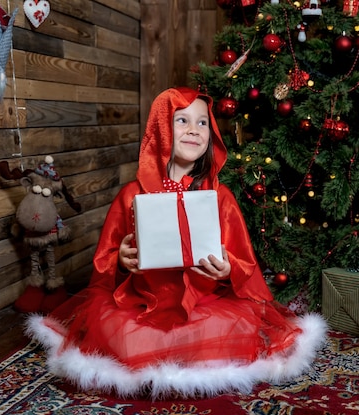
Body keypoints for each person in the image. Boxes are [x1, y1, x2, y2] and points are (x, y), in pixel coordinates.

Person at [27, 87, 328, 398]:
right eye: (182, 121)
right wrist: (121, 259)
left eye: (202, 123)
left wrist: (227, 269)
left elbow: (243, 261)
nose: (194, 131)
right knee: (123, 339)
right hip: (142, 303)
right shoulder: (132, 195)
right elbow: (106, 256)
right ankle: (172, 352)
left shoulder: (220, 197)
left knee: (232, 329)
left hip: (206, 304)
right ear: (160, 128)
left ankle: (187, 351)